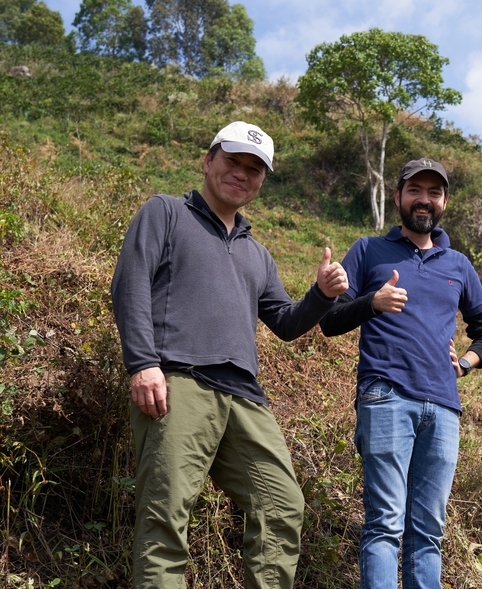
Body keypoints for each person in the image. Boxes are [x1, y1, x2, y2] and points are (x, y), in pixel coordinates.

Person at [111, 121, 349, 588]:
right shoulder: (166, 212)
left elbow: (284, 322)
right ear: (208, 160)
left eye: (254, 169)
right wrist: (143, 363)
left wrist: (320, 295)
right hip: (179, 380)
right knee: (166, 517)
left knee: (282, 505)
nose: (242, 174)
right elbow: (131, 283)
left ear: (263, 180)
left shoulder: (257, 254)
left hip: (245, 398)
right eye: (233, 162)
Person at [318, 157, 482, 589]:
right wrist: (372, 303)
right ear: (397, 197)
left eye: (433, 193)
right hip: (386, 396)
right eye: (414, 190)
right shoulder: (367, 250)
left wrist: (467, 363)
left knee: (429, 532)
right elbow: (330, 320)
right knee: (384, 523)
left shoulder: (458, 264)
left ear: (444, 203)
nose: (424, 199)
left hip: (444, 408)